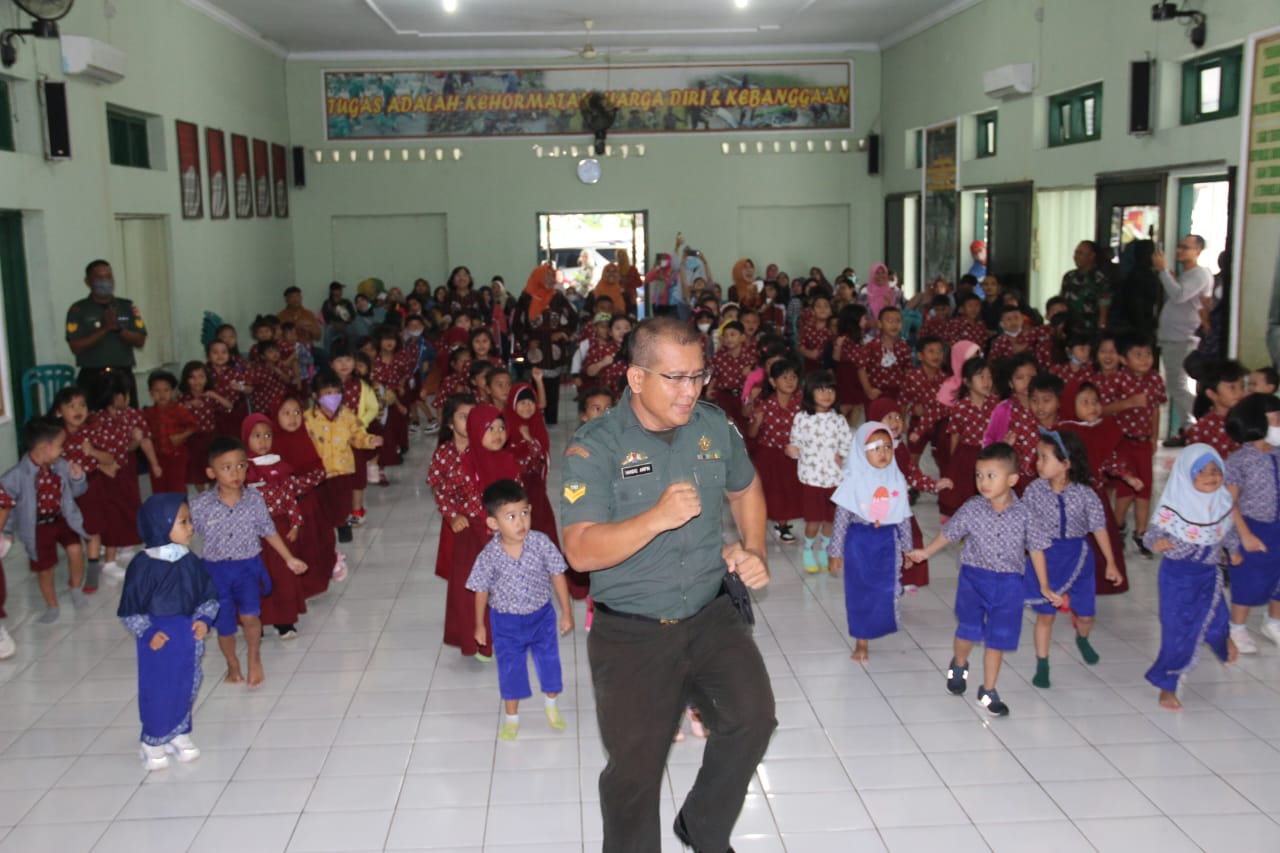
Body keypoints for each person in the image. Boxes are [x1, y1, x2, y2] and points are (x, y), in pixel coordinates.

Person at [560, 316, 775, 853]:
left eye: (697, 376)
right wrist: (655, 517)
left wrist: (752, 550)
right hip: (632, 633)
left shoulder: (712, 426)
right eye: (674, 378)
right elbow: (580, 550)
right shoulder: (595, 447)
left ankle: (702, 827)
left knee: (752, 719)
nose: (690, 391)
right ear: (636, 378)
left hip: (709, 613)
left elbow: (746, 489)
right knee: (636, 769)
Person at [907, 443, 1058, 717]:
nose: (983, 482)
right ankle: (959, 663)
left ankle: (988, 691)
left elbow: (1037, 549)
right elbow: (949, 534)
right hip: (974, 580)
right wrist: (925, 552)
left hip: (1010, 584)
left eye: (991, 475)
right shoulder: (973, 508)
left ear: (1012, 479)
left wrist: (1045, 585)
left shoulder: (1025, 514)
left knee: (998, 639)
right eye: (979, 475)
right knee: (968, 631)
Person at [190, 436, 306, 688]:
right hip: (215, 571)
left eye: (241, 465)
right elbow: (185, 534)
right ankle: (232, 663)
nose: (236, 473)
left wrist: (289, 558)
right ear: (211, 472)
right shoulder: (199, 505)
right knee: (225, 625)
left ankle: (254, 657)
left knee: (251, 617)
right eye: (227, 467)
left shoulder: (254, 499)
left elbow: (268, 530)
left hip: (248, 568)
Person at [117, 493, 219, 770]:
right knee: (159, 688)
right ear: (159, 525)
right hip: (158, 641)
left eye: (189, 521)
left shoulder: (190, 561)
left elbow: (208, 596)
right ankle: (153, 740)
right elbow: (130, 610)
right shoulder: (143, 566)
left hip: (188, 636)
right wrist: (148, 633)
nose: (191, 528)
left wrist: (204, 620)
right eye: (183, 522)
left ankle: (180, 732)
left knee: (186, 684)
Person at [467, 479, 574, 741]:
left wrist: (567, 611)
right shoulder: (489, 555)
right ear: (493, 523)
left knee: (549, 663)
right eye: (511, 516)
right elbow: (481, 590)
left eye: (524, 513)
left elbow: (557, 575)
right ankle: (511, 719)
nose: (521, 522)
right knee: (510, 669)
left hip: (542, 617)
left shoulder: (541, 543)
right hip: (506, 623)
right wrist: (479, 624)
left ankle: (551, 706)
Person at [1143, 445, 1240, 710]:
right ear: (1187, 476)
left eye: (1215, 470)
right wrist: (1158, 543)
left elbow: (1227, 532)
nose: (1211, 476)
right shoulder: (1174, 508)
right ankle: (1167, 684)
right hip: (1178, 579)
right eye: (1202, 472)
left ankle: (1223, 642)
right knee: (1177, 633)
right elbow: (1151, 534)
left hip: (1209, 576)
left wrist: (1234, 550)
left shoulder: (1221, 502)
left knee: (1219, 620)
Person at [1022, 430, 1122, 689]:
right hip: (1046, 558)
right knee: (1046, 616)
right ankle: (1042, 664)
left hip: (1079, 559)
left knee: (1086, 614)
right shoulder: (1034, 491)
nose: (1038, 463)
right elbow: (1025, 526)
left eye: (1044, 458)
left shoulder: (1086, 494)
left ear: (1066, 464)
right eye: (1038, 457)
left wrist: (1110, 562)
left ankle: (1083, 637)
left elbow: (1099, 528)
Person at [827, 421, 914, 662]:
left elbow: (904, 517)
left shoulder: (896, 480)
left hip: (887, 542)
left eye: (888, 446)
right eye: (876, 447)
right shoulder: (852, 483)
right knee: (859, 591)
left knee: (884, 588)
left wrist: (908, 549)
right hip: (859, 543)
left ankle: (881, 623)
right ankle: (861, 639)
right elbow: (841, 520)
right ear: (860, 451)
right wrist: (836, 552)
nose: (883, 453)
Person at [0, 417, 89, 623]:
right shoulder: (16, 476)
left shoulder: (61, 466)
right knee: (44, 568)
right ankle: (51, 605)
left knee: (76, 550)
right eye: (59, 446)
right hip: (37, 527)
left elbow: (77, 491)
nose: (62, 451)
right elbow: (7, 506)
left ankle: (75, 587)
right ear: (43, 447)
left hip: (62, 518)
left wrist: (77, 478)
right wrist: (7, 531)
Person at [1223, 394, 1280, 652]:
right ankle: (1237, 628)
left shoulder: (1278, 454)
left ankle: (1274, 621)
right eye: (1275, 419)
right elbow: (1229, 503)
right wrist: (1244, 535)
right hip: (1252, 526)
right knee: (1249, 577)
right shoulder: (1239, 460)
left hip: (1277, 525)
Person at [786, 370, 850, 572]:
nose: (826, 394)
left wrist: (843, 453)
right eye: (820, 390)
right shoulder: (802, 418)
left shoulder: (839, 419)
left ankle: (824, 548)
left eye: (830, 389)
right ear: (809, 393)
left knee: (830, 520)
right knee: (813, 520)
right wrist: (792, 451)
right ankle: (808, 549)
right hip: (811, 479)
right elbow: (795, 443)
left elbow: (848, 441)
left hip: (835, 479)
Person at [65, 259, 147, 405]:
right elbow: (75, 347)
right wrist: (104, 329)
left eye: (109, 277)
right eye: (100, 277)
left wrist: (118, 329)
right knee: (93, 423)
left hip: (122, 375)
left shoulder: (126, 306)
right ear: (88, 281)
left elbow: (140, 340)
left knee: (128, 421)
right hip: (92, 377)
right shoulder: (78, 309)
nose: (105, 281)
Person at [1157, 235, 1214, 444]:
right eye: (1179, 246)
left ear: (1198, 251)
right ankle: (1188, 428)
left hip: (1182, 338)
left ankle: (1207, 420)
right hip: (1174, 337)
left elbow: (1179, 295)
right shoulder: (1188, 274)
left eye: (1186, 247)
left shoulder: (1199, 274)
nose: (1180, 250)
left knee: (1177, 386)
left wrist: (1163, 271)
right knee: (1175, 386)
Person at [510, 264, 576, 425]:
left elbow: (573, 318)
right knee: (534, 382)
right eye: (545, 276)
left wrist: (563, 333)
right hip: (535, 348)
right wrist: (526, 342)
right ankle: (534, 419)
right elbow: (517, 324)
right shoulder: (526, 298)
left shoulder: (558, 297)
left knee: (553, 385)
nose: (549, 279)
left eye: (551, 276)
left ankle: (551, 420)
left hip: (553, 349)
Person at [143, 370, 197, 496]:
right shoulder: (148, 413)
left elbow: (193, 426)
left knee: (177, 487)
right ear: (150, 393)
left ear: (173, 392)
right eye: (157, 391)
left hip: (177, 455)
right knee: (159, 487)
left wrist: (180, 436)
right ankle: (162, 514)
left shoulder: (179, 410)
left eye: (166, 390)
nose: (162, 394)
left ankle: (180, 513)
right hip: (156, 456)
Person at [1059, 240, 1111, 334]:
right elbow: (1062, 301)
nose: (1076, 256)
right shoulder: (1069, 277)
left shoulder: (1099, 279)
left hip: (1089, 328)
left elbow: (1104, 304)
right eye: (1075, 253)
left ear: (1091, 256)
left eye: (1080, 253)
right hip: (1069, 326)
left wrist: (1101, 327)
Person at [320, 281, 355, 349]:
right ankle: (327, 354)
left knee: (352, 330)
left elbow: (353, 315)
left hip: (345, 325)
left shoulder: (346, 302)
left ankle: (352, 352)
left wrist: (345, 323)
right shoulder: (327, 303)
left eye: (341, 289)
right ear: (333, 291)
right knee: (328, 331)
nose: (341, 291)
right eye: (338, 289)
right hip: (333, 325)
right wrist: (336, 324)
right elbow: (326, 318)